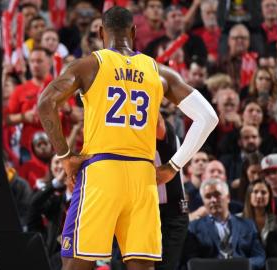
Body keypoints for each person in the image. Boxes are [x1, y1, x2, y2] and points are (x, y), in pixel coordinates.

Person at [38, 6, 218, 270]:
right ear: (134, 32)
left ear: (100, 32)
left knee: (76, 263)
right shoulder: (157, 71)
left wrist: (66, 156)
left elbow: (46, 103)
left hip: (102, 172)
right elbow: (208, 117)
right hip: (143, 179)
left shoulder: (89, 64)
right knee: (141, 266)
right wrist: (173, 166)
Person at [183, 179, 266, 270]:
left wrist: (242, 265)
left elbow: (260, 257)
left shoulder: (248, 225)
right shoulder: (193, 228)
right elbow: (191, 261)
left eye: (217, 195)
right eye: (208, 196)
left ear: (228, 197)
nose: (213, 200)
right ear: (203, 201)